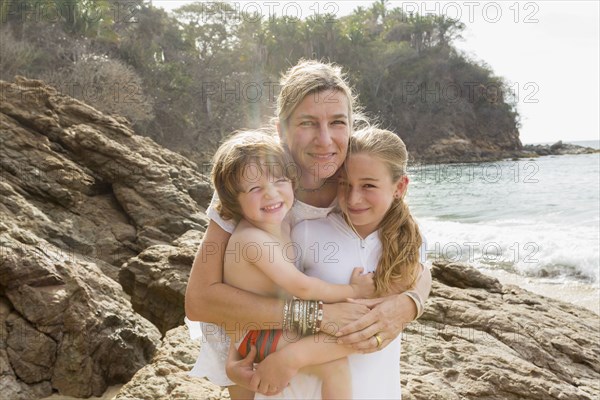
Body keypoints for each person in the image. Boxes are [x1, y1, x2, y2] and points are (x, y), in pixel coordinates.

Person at [185, 59, 432, 398]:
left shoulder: (359, 181)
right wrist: (316, 317)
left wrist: (411, 302)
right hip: (254, 357)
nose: (325, 139)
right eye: (307, 123)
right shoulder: (252, 183)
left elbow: (410, 247)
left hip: (331, 361)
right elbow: (200, 299)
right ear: (281, 130)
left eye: (337, 123)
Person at [242, 127, 424, 399]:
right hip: (297, 390)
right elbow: (269, 307)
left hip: (376, 390)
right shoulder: (307, 233)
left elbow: (370, 330)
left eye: (368, 186)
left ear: (399, 187)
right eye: (344, 183)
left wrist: (293, 356)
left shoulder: (408, 245)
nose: (353, 198)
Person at [201, 129, 376, 399]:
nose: (271, 195)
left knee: (343, 342)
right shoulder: (252, 240)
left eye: (279, 180)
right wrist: (353, 291)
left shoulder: (281, 222)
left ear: (293, 182)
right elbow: (303, 288)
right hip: (256, 337)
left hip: (266, 328)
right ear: (233, 200)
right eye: (256, 188)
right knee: (337, 355)